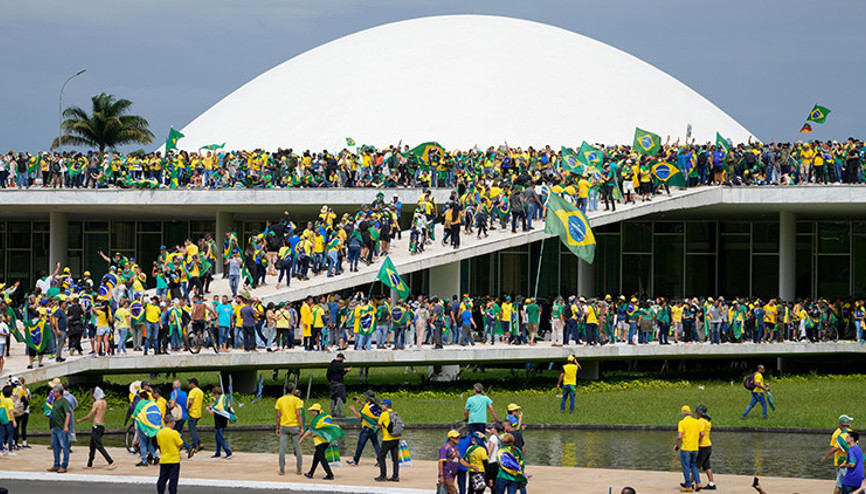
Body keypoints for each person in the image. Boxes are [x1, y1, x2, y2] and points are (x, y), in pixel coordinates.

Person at [75, 386, 116, 469]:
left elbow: (90, 416)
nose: (92, 396)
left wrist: (80, 420)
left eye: (93, 394)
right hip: (101, 426)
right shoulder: (104, 402)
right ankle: (89, 464)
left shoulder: (96, 403)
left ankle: (110, 461)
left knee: (98, 445)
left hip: (97, 426)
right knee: (92, 446)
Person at [299, 403, 336, 480]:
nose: (312, 413)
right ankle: (310, 473)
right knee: (316, 457)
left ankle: (330, 474)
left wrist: (302, 439)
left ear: (317, 411)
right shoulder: (327, 416)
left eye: (313, 411)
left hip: (319, 441)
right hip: (326, 440)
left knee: (322, 458)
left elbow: (309, 431)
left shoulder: (316, 420)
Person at [275, 382, 304, 476]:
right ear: (293, 390)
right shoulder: (297, 400)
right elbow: (298, 414)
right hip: (295, 426)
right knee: (297, 448)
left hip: (284, 426)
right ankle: (299, 469)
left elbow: (278, 416)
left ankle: (282, 470)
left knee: (282, 448)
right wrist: (302, 427)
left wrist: (277, 428)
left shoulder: (280, 400)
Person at [347, 389, 381, 466]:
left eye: (365, 396)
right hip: (374, 428)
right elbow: (367, 408)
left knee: (360, 445)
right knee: (376, 445)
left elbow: (360, 416)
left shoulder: (366, 408)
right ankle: (380, 461)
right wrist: (359, 402)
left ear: (367, 398)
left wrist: (353, 410)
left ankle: (355, 461)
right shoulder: (374, 405)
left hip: (366, 429)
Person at [822, 414, 855, 494]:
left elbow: (835, 447)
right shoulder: (838, 434)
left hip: (845, 463)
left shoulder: (848, 433)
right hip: (843, 463)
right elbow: (835, 447)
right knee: (844, 484)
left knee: (841, 484)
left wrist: (825, 456)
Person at [674, 405, 703, 492]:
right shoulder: (697, 422)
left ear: (682, 413)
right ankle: (698, 483)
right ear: (690, 412)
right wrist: (698, 442)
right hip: (695, 448)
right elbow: (702, 434)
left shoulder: (682, 423)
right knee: (693, 466)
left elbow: (679, 437)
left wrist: (676, 445)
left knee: (686, 467)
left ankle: (689, 486)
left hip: (686, 448)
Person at [440, 430, 477, 494]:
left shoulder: (456, 448)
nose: (458, 439)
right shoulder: (445, 448)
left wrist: (472, 467)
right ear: (451, 438)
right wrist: (441, 476)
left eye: (458, 437)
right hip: (447, 475)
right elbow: (441, 463)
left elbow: (461, 461)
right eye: (456, 437)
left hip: (453, 474)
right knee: (453, 491)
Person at [156, 413, 184, 494]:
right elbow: (180, 444)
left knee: (162, 479)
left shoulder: (159, 433)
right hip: (174, 460)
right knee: (173, 481)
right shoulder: (174, 433)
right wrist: (179, 436)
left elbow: (159, 445)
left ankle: (160, 492)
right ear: (171, 422)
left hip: (164, 459)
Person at [374, 398, 400, 482]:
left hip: (387, 439)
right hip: (396, 438)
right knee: (395, 459)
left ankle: (383, 475)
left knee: (381, 456)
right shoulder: (395, 413)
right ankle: (395, 476)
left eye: (382, 405)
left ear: (386, 406)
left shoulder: (384, 414)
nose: (381, 406)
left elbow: (379, 425)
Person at [47, 385, 71, 473]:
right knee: (55, 446)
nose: (52, 393)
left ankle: (64, 465)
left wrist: (66, 426)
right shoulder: (54, 401)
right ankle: (56, 464)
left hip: (61, 427)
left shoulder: (64, 401)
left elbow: (68, 414)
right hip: (55, 427)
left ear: (58, 392)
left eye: (54, 392)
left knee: (64, 446)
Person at [206, 386, 233, 459]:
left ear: (215, 394)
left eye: (214, 394)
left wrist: (208, 409)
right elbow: (218, 408)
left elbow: (212, 412)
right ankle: (218, 453)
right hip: (224, 421)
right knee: (217, 437)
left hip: (219, 422)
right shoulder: (224, 399)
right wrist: (213, 407)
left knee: (220, 438)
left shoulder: (218, 401)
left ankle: (228, 452)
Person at [695, 404, 716, 490]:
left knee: (695, 465)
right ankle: (711, 484)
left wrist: (697, 443)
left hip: (702, 446)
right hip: (708, 445)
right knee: (707, 465)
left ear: (699, 413)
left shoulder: (701, 421)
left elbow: (701, 434)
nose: (695, 413)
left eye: (696, 412)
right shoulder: (707, 421)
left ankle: (689, 483)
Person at [326, 353, 351, 417]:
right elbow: (342, 373)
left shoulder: (331, 364)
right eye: (342, 359)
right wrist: (347, 370)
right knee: (340, 397)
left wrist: (330, 381)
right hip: (339, 383)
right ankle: (338, 412)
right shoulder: (340, 365)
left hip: (332, 383)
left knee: (332, 397)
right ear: (340, 358)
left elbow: (327, 374)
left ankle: (332, 412)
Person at [186, 378, 204, 454]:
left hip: (192, 413)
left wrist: (188, 408)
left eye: (189, 383)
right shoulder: (200, 391)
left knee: (192, 430)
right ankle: (199, 443)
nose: (188, 384)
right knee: (194, 429)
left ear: (193, 384)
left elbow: (190, 401)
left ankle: (194, 447)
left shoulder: (192, 391)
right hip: (198, 413)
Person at [0, 385, 16, 455]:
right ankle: (10, 450)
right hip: (9, 420)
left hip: (2, 419)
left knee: (1, 435)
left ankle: (0, 450)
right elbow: (10, 411)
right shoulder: (10, 401)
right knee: (10, 435)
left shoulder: (2, 400)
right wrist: (14, 420)